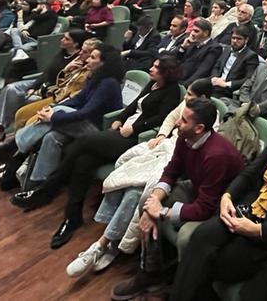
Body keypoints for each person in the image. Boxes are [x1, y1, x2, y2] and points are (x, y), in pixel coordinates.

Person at [112, 101, 267, 301]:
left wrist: (257, 230)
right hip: (245, 209)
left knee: (217, 261)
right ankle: (174, 286)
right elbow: (249, 173)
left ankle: (181, 287)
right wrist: (227, 196)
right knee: (201, 239)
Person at [10, 55, 183, 247]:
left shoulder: (172, 91)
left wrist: (135, 128)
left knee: (82, 143)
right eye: (153, 65)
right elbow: (134, 106)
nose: (151, 68)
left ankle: (46, 189)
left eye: (156, 67)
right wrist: (120, 119)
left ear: (166, 72)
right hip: (121, 129)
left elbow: (161, 118)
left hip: (134, 139)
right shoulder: (152, 84)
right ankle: (72, 218)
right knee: (83, 162)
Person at [66, 96, 243, 278]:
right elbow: (171, 171)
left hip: (222, 203)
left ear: (199, 128)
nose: (177, 122)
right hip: (199, 188)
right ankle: (149, 269)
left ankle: (156, 274)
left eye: (183, 120)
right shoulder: (184, 138)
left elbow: (205, 207)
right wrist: (155, 200)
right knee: (146, 198)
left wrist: (162, 211)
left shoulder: (216, 155)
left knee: (160, 214)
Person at [4, 45, 125, 188]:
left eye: (92, 57)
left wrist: (53, 117)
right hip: (83, 123)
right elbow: (77, 99)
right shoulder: (96, 78)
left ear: (103, 63)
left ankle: (17, 148)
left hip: (98, 131)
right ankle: (38, 182)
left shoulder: (109, 83)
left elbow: (86, 112)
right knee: (52, 136)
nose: (87, 61)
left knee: (57, 113)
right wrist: (51, 109)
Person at [0, 29, 87, 156]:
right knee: (9, 89)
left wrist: (64, 71)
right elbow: (47, 73)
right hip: (40, 84)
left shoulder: (78, 61)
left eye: (66, 39)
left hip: (50, 91)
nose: (61, 40)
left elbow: (64, 84)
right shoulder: (63, 53)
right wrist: (34, 86)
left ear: (76, 44)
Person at [209, 24, 259, 98]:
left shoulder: (251, 56)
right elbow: (217, 66)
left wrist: (227, 84)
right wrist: (214, 77)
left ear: (246, 40)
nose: (235, 41)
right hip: (216, 82)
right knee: (196, 87)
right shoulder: (227, 49)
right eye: (233, 38)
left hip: (228, 89)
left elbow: (248, 79)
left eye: (239, 39)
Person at [171, 18, 221, 85]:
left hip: (189, 83)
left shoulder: (214, 48)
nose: (192, 34)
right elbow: (173, 59)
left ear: (206, 33)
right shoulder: (191, 42)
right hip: (176, 78)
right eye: (192, 30)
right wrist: (183, 47)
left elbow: (202, 72)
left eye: (196, 31)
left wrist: (184, 86)